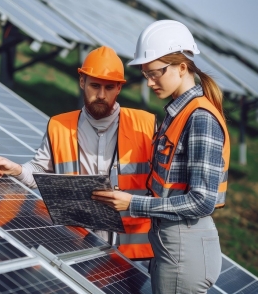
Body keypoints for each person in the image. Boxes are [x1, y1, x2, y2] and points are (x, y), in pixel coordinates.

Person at [92, 20, 230, 293]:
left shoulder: (200, 118)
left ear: (181, 67)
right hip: (171, 242)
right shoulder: (178, 113)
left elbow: (202, 202)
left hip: (184, 245)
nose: (150, 82)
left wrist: (133, 204)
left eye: (155, 73)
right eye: (145, 74)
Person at [0, 46, 156, 260]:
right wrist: (18, 170)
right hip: (74, 247)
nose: (101, 95)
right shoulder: (59, 126)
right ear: (81, 82)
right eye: (95, 86)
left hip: (133, 256)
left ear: (119, 89)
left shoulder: (146, 125)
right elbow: (40, 171)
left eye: (109, 87)